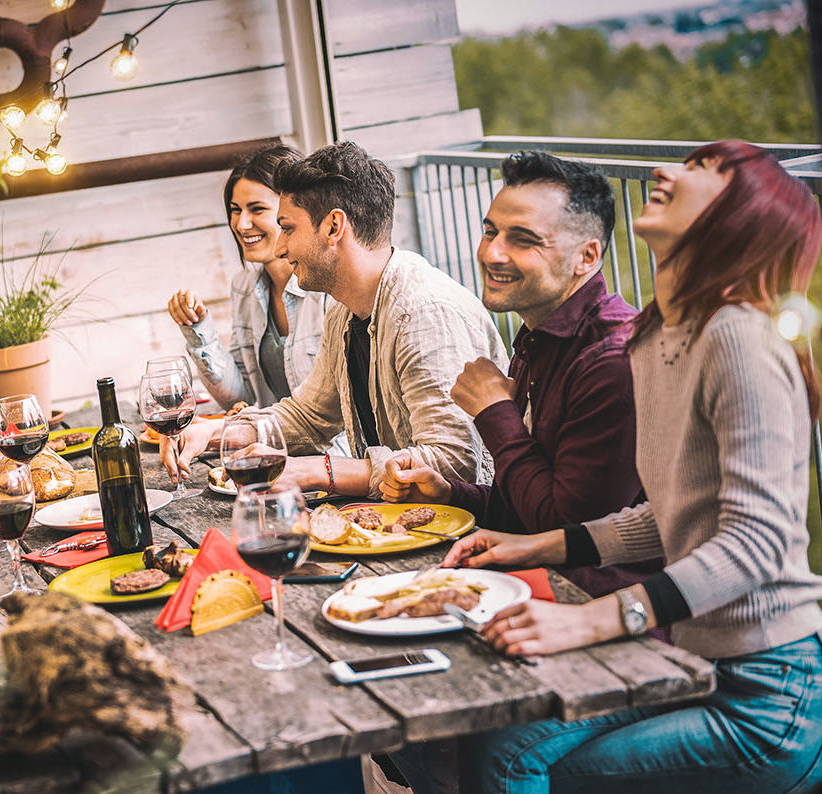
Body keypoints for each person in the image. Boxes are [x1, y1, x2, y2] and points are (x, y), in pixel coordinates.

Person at [393, 141, 822, 793]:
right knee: (486, 740)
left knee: (511, 761)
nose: (663, 170)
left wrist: (591, 618)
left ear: (743, 216)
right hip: (689, 655)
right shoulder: (658, 336)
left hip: (763, 690)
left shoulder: (738, 334)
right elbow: (677, 513)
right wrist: (541, 543)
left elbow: (754, 544)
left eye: (704, 170)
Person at [380, 151, 659, 599]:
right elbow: (529, 505)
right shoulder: (540, 337)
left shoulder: (611, 360)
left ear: (586, 257)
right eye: (490, 230)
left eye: (523, 239)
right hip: (549, 584)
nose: (492, 253)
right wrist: (450, 495)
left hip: (608, 608)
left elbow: (563, 530)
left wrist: (495, 413)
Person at [161, 141, 508, 498]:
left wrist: (316, 471)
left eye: (289, 229)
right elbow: (308, 416)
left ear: (333, 227)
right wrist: (213, 433)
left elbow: (455, 464)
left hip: (471, 532)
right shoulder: (344, 311)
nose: (280, 248)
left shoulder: (425, 313)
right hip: (399, 520)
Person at [167, 144, 329, 410]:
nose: (241, 224)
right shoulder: (243, 287)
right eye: (235, 210)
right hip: (271, 445)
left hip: (332, 451)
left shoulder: (327, 291)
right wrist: (198, 329)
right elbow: (240, 398)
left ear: (292, 211)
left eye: (257, 209)